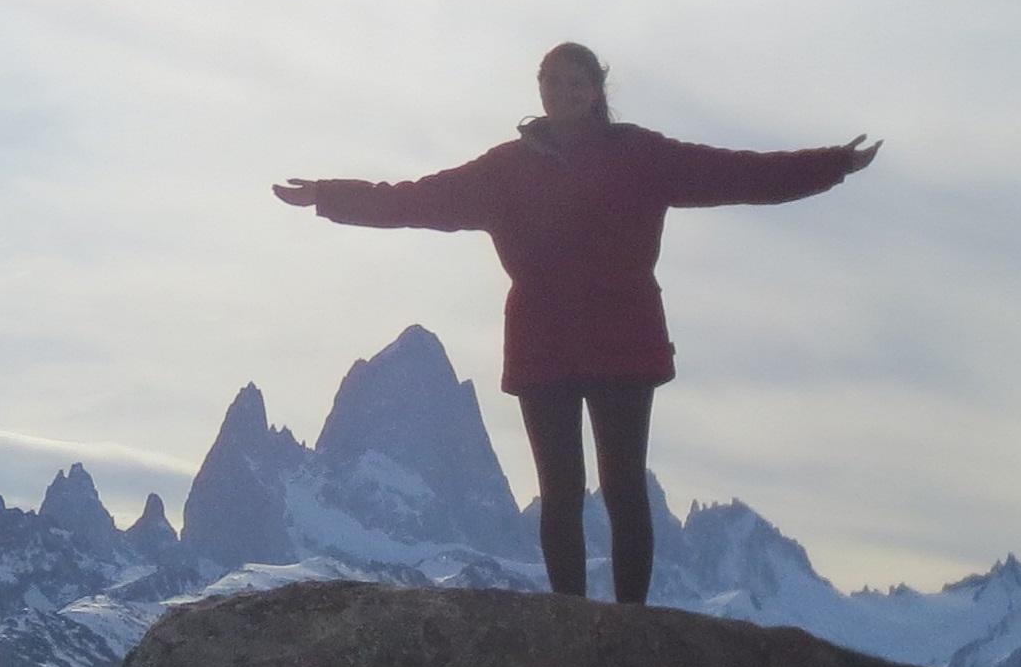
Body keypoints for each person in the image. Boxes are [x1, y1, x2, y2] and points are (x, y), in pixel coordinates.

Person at [273, 42, 876, 604]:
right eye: (551, 82)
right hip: (543, 345)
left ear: (595, 91)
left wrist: (832, 165)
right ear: (540, 90)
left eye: (574, 83)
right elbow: (415, 199)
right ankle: (569, 622)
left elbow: (738, 174)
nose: (561, 92)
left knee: (623, 488)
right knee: (559, 492)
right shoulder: (503, 170)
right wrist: (330, 195)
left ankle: (631, 622)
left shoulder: (642, 156)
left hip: (623, 341)